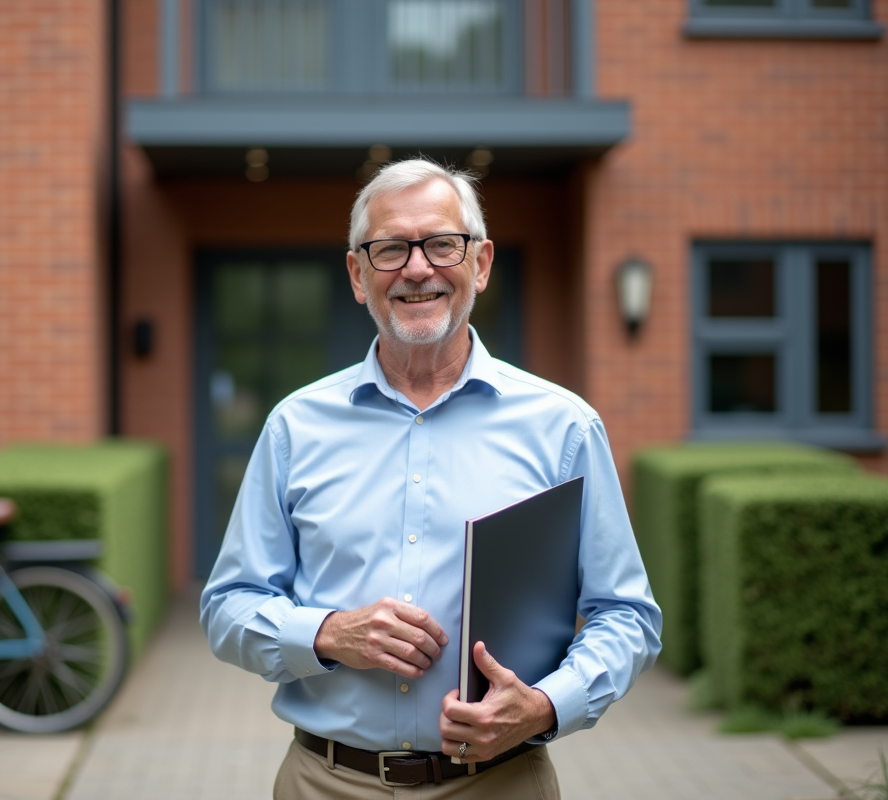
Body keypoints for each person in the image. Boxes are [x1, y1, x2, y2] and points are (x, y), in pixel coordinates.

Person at [200, 159, 661, 798]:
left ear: (481, 263)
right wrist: (330, 633)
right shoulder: (294, 427)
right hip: (325, 783)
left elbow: (626, 615)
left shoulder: (565, 428)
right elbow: (228, 606)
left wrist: (548, 705)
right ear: (359, 276)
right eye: (390, 249)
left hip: (499, 784)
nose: (418, 268)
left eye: (442, 244)